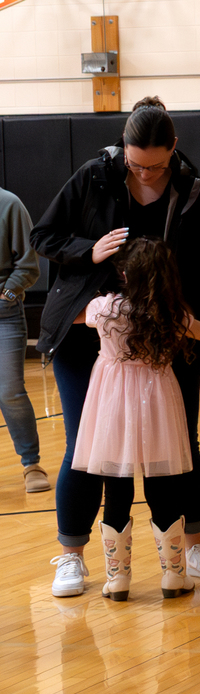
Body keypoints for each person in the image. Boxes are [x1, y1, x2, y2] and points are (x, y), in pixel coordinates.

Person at [31, 96, 200, 597]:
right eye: (135, 164)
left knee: (180, 442)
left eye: (156, 165)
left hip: (166, 334)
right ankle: (72, 556)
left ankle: (193, 546)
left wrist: (190, 308)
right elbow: (45, 235)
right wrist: (89, 250)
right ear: (122, 152)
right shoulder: (92, 176)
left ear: (174, 149)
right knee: (86, 445)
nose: (146, 174)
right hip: (91, 337)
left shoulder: (194, 191)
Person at [71, 237, 200, 600]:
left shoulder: (104, 308)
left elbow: (71, 313)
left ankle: (118, 580)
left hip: (111, 401)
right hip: (157, 400)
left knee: (116, 488)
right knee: (162, 485)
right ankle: (173, 576)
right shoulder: (171, 312)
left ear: (123, 273)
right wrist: (194, 302)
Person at [0, 185, 50, 493]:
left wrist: (8, 293)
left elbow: (29, 261)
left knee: (10, 391)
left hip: (4, 314)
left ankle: (31, 463)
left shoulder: (9, 203)